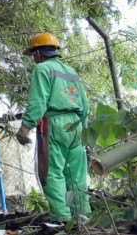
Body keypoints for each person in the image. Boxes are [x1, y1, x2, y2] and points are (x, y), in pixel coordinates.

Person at [16, 32, 91, 224]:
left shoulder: (42, 70)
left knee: (52, 173)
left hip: (54, 125)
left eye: (33, 54)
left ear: (39, 53)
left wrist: (25, 127)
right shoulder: (71, 72)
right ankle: (82, 216)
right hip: (76, 125)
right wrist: (82, 128)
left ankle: (63, 219)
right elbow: (85, 105)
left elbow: (38, 102)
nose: (33, 59)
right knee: (76, 174)